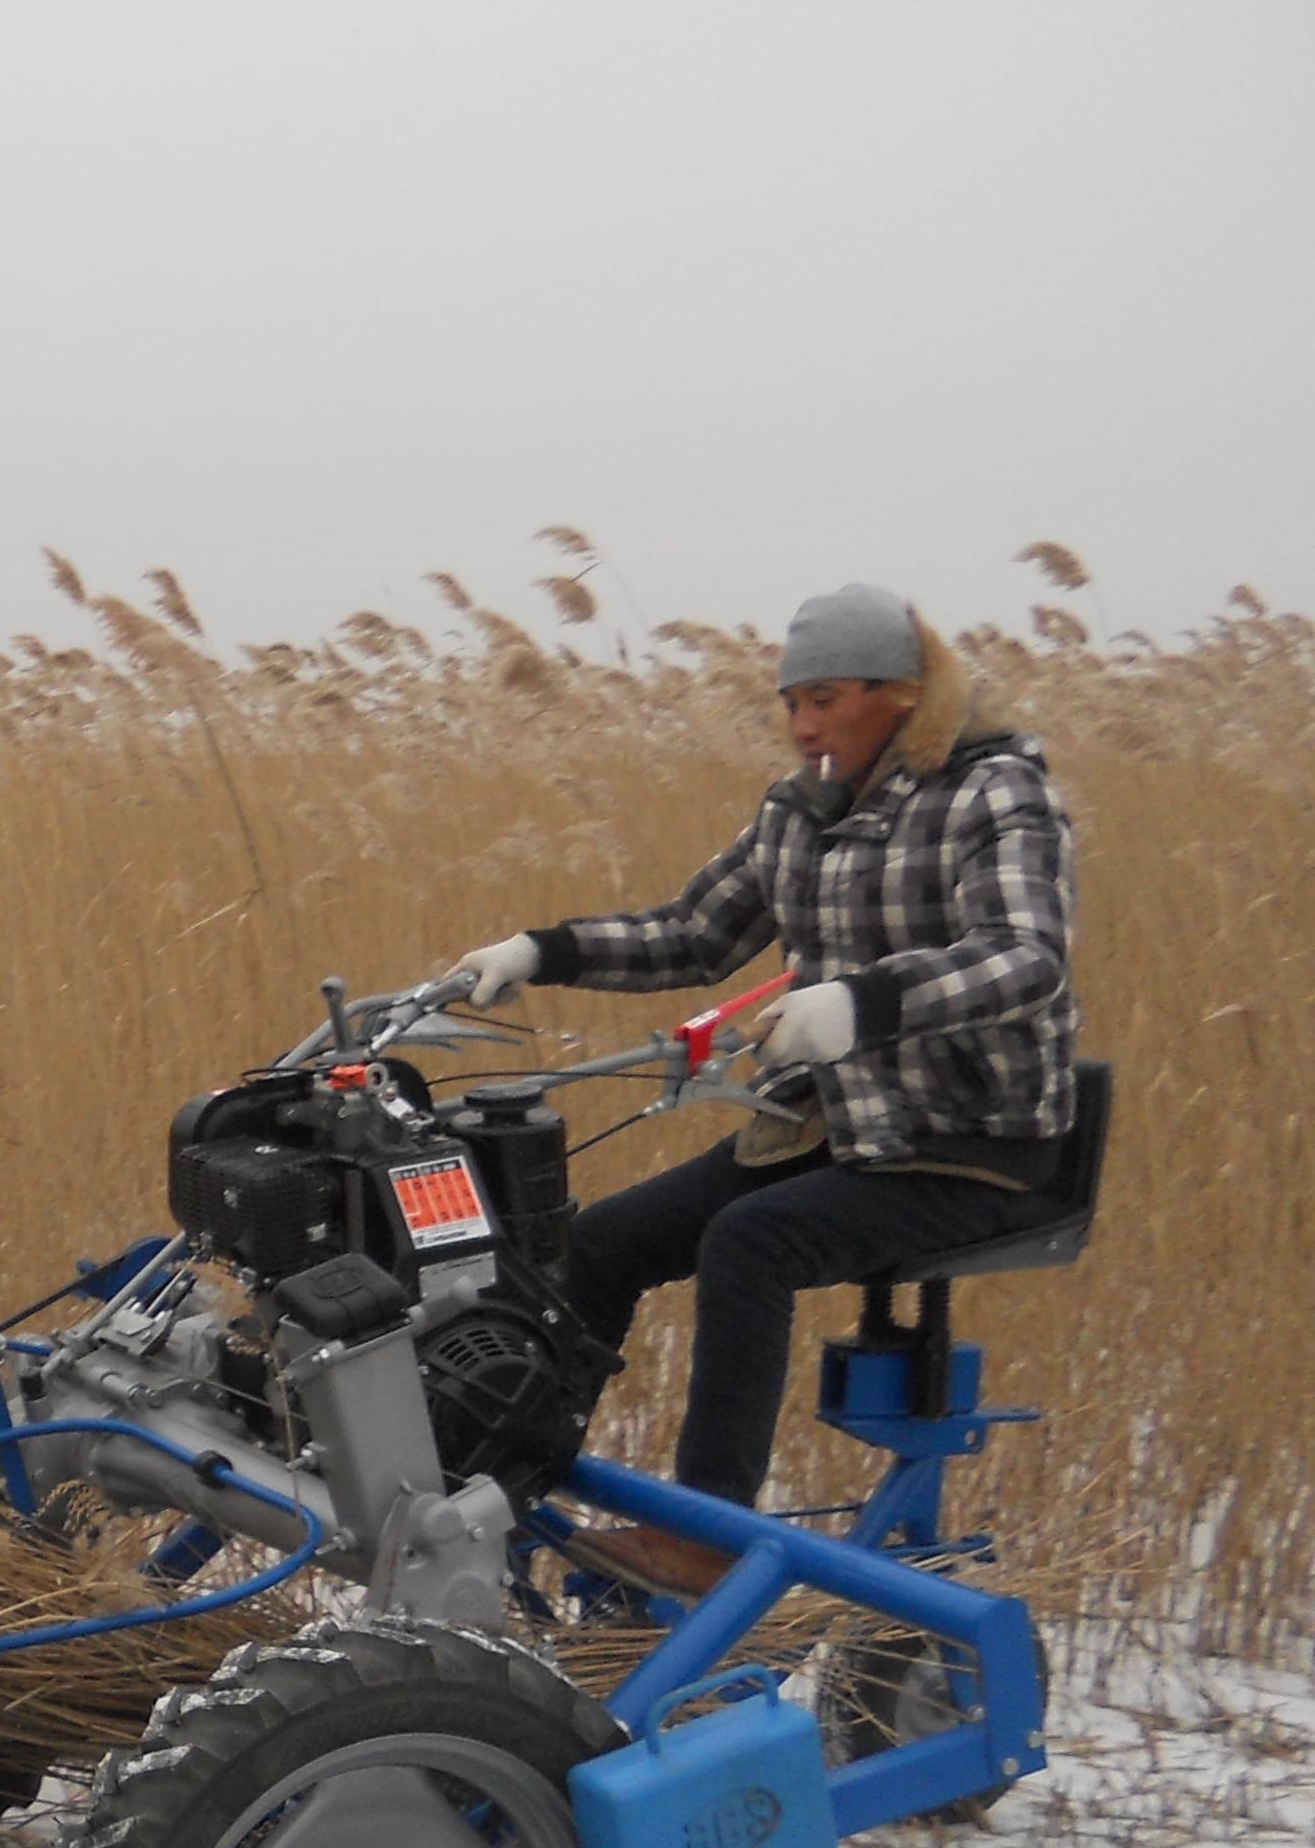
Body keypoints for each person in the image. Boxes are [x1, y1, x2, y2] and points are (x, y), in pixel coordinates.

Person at [444, 583, 1081, 1594]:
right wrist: (540, 949)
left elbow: (1023, 957)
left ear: (904, 695)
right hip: (821, 1126)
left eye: (824, 700)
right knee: (600, 1242)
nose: (801, 726)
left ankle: (706, 1542)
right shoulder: (797, 812)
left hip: (966, 1139)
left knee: (751, 1242)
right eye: (790, 703)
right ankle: (502, 1487)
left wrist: (862, 1004)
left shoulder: (993, 793)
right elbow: (692, 934)